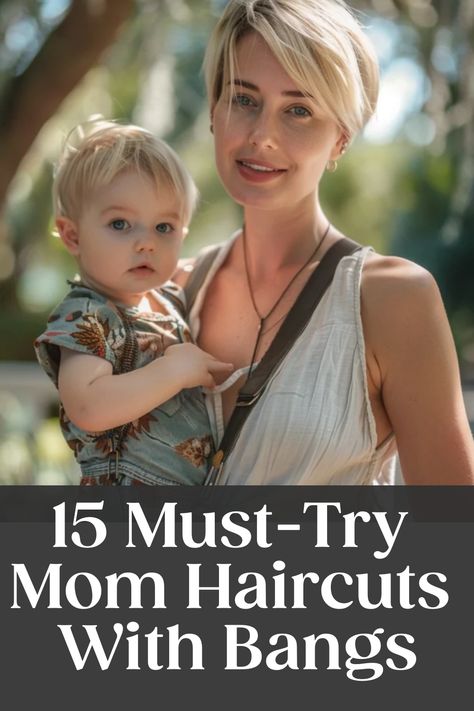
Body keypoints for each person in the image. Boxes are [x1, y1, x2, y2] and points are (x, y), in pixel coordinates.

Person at [175, 0, 474, 484]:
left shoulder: (392, 300)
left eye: (299, 110)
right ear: (213, 108)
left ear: (341, 138)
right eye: (244, 100)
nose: (261, 135)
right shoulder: (173, 289)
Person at [35, 119, 233, 486]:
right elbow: (88, 406)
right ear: (73, 235)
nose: (147, 243)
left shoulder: (168, 299)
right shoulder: (89, 314)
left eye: (163, 228)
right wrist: (173, 372)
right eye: (121, 224)